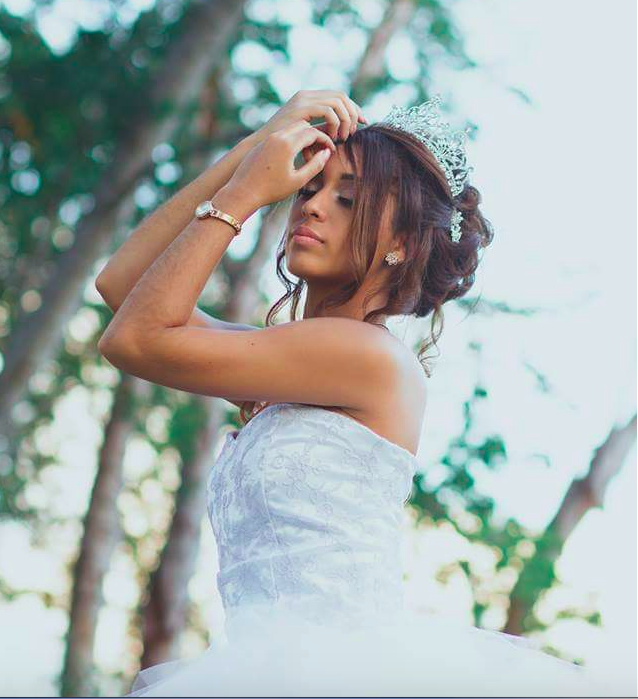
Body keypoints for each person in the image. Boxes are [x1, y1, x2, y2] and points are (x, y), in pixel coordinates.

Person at [96, 90, 610, 696]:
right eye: (308, 187)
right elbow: (122, 287)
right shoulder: (296, 358)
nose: (313, 206)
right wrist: (255, 151)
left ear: (403, 243)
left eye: (349, 199)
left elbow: (134, 339)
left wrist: (244, 196)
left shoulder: (364, 356)